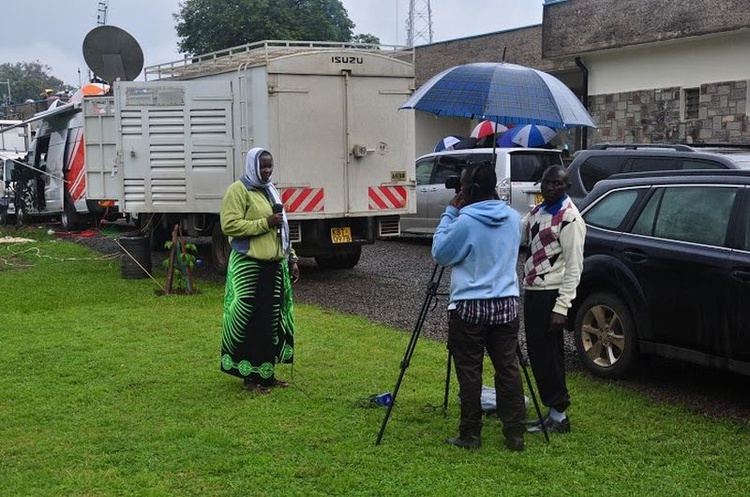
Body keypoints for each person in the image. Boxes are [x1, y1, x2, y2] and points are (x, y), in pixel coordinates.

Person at [432, 163, 527, 452]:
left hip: (469, 305)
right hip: (506, 302)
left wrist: (449, 212)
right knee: (508, 368)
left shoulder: (465, 221)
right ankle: (515, 434)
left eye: (462, 186)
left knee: (470, 370)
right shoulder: (513, 218)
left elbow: (441, 253)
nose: (459, 190)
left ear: (470, 189)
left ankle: (470, 434)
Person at [219, 147, 300, 394]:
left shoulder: (270, 190)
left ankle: (267, 374)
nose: (266, 171)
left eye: (269, 166)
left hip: (274, 267)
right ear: (252, 165)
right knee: (250, 321)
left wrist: (292, 257)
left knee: (272, 323)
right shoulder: (238, 190)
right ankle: (248, 378)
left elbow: (283, 230)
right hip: (249, 267)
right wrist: (265, 223)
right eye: (262, 166)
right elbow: (229, 225)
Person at [521, 165, 586, 434]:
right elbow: (523, 231)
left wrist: (563, 307)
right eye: (546, 183)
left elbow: (574, 267)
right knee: (538, 354)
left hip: (552, 294)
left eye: (556, 184)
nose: (549, 187)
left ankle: (559, 415)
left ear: (566, 186)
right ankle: (552, 410)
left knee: (550, 356)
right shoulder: (538, 211)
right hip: (534, 290)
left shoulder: (570, 218)